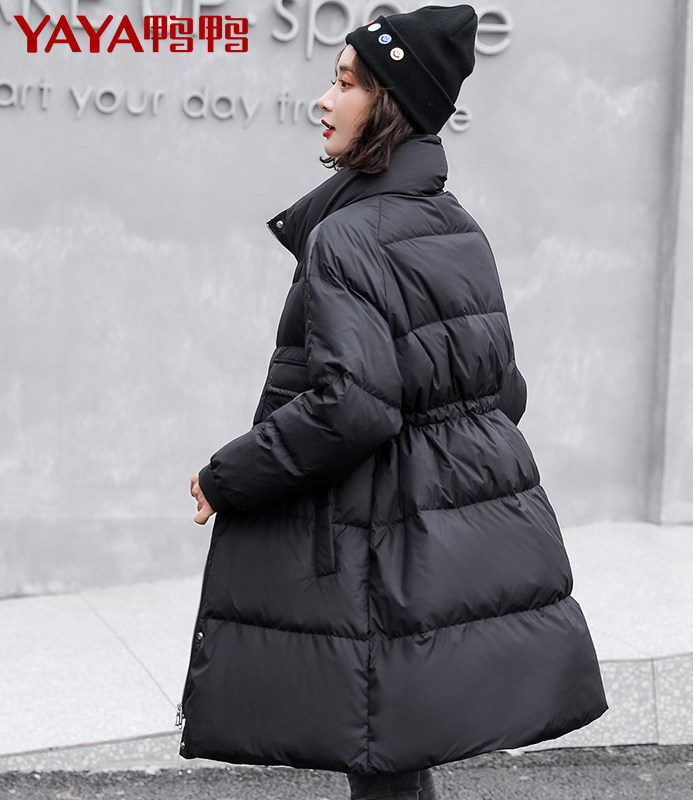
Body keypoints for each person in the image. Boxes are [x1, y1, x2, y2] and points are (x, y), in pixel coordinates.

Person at [180, 6, 607, 799]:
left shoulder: (346, 236)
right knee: (393, 753)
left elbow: (354, 406)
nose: (324, 99)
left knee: (381, 750)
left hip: (376, 537)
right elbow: (505, 391)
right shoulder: (456, 225)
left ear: (391, 104)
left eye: (346, 83)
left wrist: (227, 476)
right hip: (432, 533)